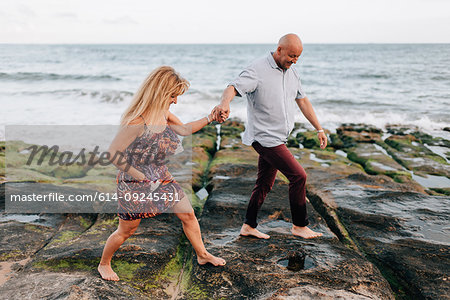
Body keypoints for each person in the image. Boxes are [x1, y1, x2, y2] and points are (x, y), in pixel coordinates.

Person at [98, 66, 225, 281]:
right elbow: (112, 154)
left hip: (160, 175)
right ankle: (104, 264)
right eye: (173, 96)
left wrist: (210, 118)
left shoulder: (163, 114)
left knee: (188, 214)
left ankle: (203, 255)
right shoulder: (137, 122)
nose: (175, 101)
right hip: (134, 182)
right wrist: (139, 175)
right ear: (160, 93)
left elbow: (184, 129)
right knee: (126, 231)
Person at [213, 34, 326, 240]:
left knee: (264, 183)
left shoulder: (293, 73)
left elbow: (302, 101)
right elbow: (233, 87)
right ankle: (300, 225)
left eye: (298, 57)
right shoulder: (257, 70)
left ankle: (248, 225)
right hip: (264, 137)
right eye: (291, 55)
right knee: (298, 176)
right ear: (279, 49)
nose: (294, 60)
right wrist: (224, 103)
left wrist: (319, 128)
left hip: (279, 137)